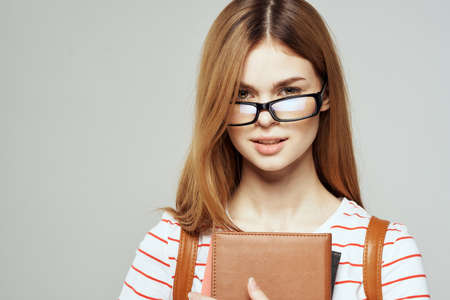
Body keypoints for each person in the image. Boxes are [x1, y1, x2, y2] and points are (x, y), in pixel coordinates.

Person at [117, 0, 430, 299]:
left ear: (326, 95)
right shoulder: (170, 247)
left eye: (289, 90)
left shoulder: (386, 254)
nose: (265, 118)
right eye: (242, 94)